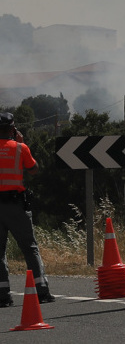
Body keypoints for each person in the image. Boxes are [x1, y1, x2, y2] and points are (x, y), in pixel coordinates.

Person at [0, 112, 53, 307]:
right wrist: (21, 143)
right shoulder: (21, 148)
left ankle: (3, 296)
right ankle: (42, 291)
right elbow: (34, 169)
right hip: (16, 206)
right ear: (13, 129)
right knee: (30, 248)